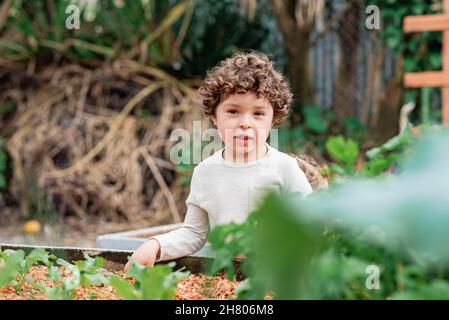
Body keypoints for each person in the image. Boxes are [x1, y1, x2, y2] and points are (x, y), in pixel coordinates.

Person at [124, 51, 313, 272]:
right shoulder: (206, 172)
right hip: (225, 276)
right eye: (233, 111)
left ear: (273, 119)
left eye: (258, 114)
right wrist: (155, 245)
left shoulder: (284, 168)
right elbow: (194, 233)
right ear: (214, 116)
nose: (245, 123)